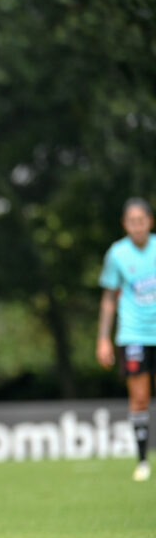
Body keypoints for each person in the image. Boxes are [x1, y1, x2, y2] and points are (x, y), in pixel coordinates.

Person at [97, 197, 156, 482]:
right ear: (125, 225)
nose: (137, 226)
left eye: (141, 220)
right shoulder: (117, 254)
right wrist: (103, 339)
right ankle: (143, 461)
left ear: (150, 221)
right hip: (133, 334)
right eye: (131, 222)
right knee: (140, 398)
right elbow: (109, 297)